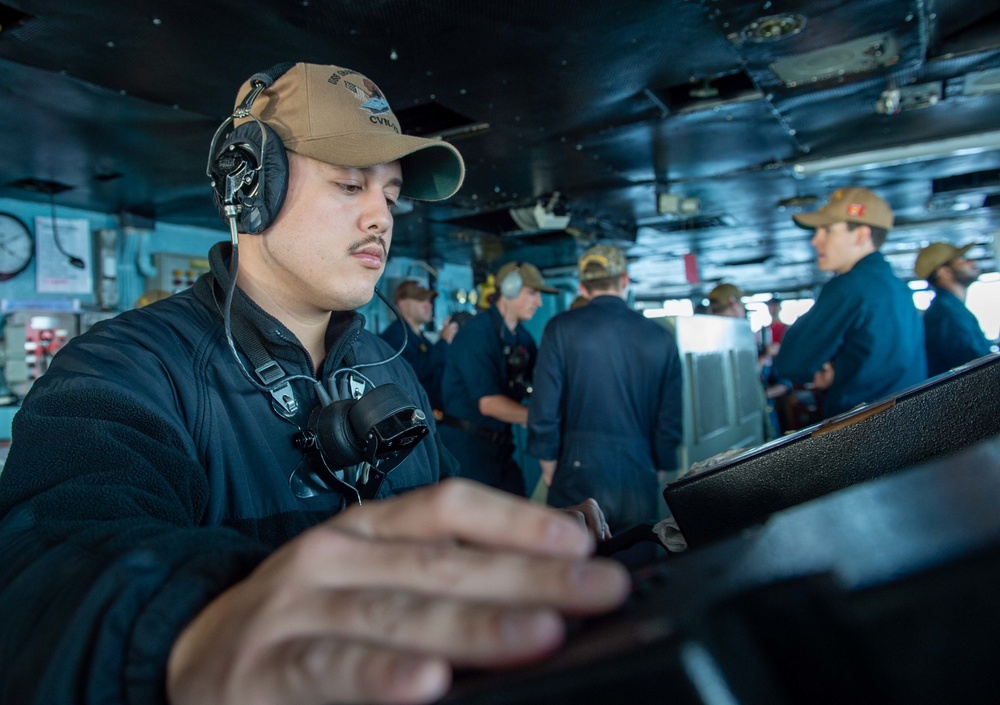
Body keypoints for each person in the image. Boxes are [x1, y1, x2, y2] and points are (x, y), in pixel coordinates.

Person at [0, 62, 629, 705]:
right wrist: (195, 631)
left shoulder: (392, 368)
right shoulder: (122, 369)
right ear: (251, 181)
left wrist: (515, 558)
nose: (380, 218)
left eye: (390, 196)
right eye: (351, 184)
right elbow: (41, 565)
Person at [527, 245, 683, 540]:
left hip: (575, 466)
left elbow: (544, 408)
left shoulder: (560, 328)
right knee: (638, 569)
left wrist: (548, 464)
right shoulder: (660, 337)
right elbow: (670, 416)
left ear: (583, 287)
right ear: (624, 280)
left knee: (574, 572)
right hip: (639, 467)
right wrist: (659, 463)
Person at [775, 187, 927, 419]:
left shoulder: (849, 287)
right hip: (908, 422)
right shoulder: (898, 288)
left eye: (827, 230)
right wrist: (840, 369)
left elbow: (792, 365)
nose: (816, 241)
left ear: (860, 235)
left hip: (864, 432)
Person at [439, 260, 557, 495]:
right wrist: (543, 418)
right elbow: (488, 403)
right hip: (467, 451)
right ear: (510, 289)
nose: (539, 302)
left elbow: (541, 383)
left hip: (500, 449)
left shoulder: (522, 339)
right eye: (532, 293)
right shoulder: (476, 334)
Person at [705, 282, 778, 441]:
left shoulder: (706, 334)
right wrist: (764, 357)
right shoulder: (736, 334)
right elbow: (745, 377)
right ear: (734, 303)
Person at [914, 241, 993, 376]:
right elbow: (978, 368)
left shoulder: (952, 309)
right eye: (961, 259)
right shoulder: (945, 314)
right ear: (943, 272)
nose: (971, 261)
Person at [380, 279, 456, 415]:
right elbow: (411, 373)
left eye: (429, 301)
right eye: (422, 300)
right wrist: (443, 342)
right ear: (403, 304)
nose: (429, 305)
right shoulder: (395, 336)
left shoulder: (423, 339)